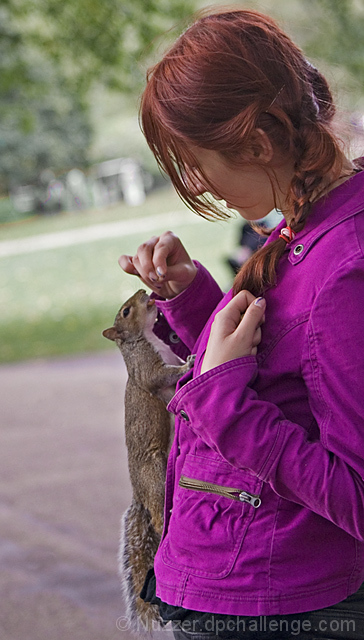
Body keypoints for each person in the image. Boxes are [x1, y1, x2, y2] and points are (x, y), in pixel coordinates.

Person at [118, 8, 364, 639]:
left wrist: (223, 404)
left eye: (195, 163)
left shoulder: (346, 266)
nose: (196, 185)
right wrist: (194, 298)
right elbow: (285, 367)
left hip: (277, 606)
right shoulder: (306, 226)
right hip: (238, 585)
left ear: (257, 143)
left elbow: (356, 494)